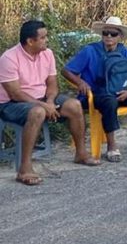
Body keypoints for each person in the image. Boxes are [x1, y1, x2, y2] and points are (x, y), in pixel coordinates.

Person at [0, 21, 100, 185]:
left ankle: (80, 154)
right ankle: (24, 168)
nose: (47, 40)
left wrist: (50, 101)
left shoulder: (47, 54)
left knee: (74, 105)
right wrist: (44, 106)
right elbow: (15, 93)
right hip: (11, 104)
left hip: (42, 99)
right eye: (43, 37)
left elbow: (52, 84)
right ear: (30, 41)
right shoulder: (8, 58)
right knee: (37, 112)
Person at [62, 17, 127, 163]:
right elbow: (67, 70)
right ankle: (112, 146)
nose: (109, 37)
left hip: (121, 93)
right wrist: (80, 82)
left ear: (120, 36)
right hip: (96, 95)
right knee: (109, 102)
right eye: (106, 33)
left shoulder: (124, 52)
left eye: (113, 34)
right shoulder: (90, 50)